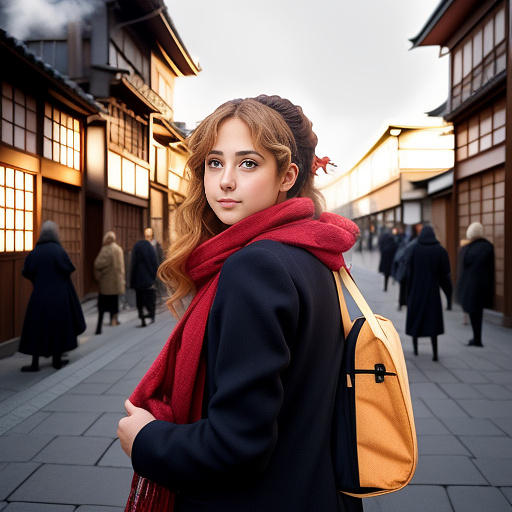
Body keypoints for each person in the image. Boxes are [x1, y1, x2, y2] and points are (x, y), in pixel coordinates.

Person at [117, 95, 361, 512]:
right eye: (215, 162)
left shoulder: (255, 266)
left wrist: (147, 440)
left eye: (248, 163)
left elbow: (237, 445)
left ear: (287, 175)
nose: (225, 180)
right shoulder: (315, 256)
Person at [18, 220, 86, 371]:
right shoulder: (58, 250)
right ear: (55, 233)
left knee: (36, 327)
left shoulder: (36, 251)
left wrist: (38, 280)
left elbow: (26, 271)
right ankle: (56, 360)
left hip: (39, 295)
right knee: (58, 327)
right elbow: (68, 268)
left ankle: (34, 363)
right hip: (58, 296)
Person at [404, 225, 452, 361]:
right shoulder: (440, 250)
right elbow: (445, 275)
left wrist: (407, 294)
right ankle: (435, 353)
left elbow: (408, 272)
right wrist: (448, 295)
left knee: (416, 321)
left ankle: (415, 349)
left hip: (416, 291)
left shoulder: (413, 249)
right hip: (432, 293)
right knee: (433, 323)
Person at [457, 222, 495, 347]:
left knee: (473, 311)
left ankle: (476, 338)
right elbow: (490, 269)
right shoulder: (488, 247)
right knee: (478, 311)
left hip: (468, 284)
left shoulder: (466, 248)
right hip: (482, 284)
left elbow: (462, 268)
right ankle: (477, 338)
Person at [93, 230, 125, 335]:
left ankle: (99, 326)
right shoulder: (119, 249)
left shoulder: (106, 250)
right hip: (117, 281)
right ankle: (114, 319)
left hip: (107, 283)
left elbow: (98, 264)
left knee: (102, 305)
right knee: (114, 302)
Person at [130, 234, 158, 327]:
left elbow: (132, 266)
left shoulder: (136, 250)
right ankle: (151, 315)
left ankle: (142, 317)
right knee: (150, 297)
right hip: (149, 279)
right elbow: (155, 263)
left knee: (140, 299)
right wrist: (155, 277)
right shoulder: (149, 249)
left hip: (138, 280)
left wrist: (132, 281)